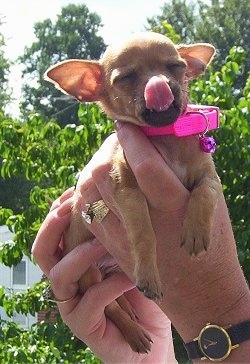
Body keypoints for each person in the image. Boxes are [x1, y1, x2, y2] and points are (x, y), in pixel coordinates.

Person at [32, 122, 250, 363]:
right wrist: (157, 356)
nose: (156, 86)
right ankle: (116, 308)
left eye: (175, 80)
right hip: (104, 262)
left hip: (121, 265)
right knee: (88, 265)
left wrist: (212, 303)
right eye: (127, 80)